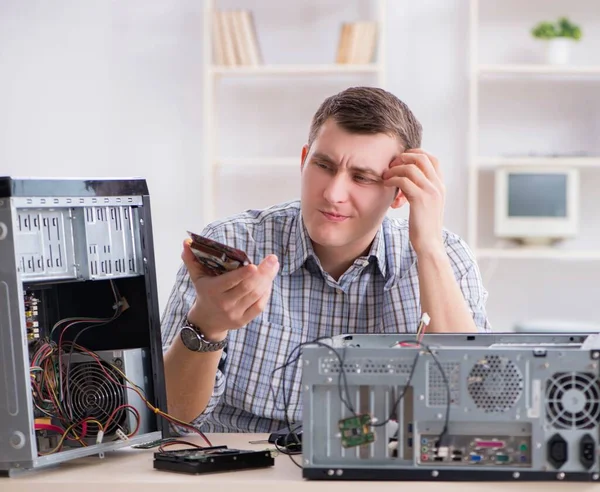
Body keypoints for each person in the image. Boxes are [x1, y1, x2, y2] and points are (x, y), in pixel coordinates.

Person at [161, 86, 491, 433]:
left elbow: (471, 412)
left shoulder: (447, 258)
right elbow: (169, 416)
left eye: (362, 177)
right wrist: (207, 327)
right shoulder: (232, 242)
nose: (333, 194)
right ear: (304, 159)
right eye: (323, 165)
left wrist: (429, 247)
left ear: (399, 194)